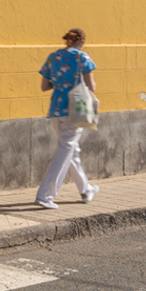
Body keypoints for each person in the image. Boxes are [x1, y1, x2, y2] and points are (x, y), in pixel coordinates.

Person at [37, 27, 99, 209]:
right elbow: (92, 87)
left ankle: (86, 190)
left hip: (56, 109)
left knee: (71, 150)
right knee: (65, 150)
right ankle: (45, 195)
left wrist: (61, 83)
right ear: (81, 41)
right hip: (74, 110)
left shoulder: (53, 57)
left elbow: (44, 86)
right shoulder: (82, 58)